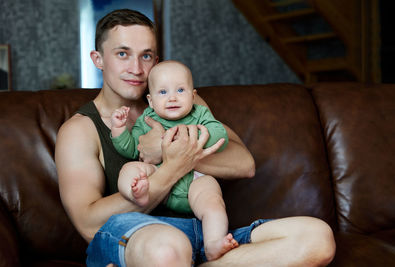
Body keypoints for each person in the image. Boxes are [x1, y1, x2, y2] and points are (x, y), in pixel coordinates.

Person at [55, 8, 336, 267]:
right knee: (168, 249)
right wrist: (174, 164)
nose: (137, 69)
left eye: (146, 55)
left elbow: (244, 163)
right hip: (136, 237)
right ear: (98, 59)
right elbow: (89, 224)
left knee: (317, 238)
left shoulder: (182, 101)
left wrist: (167, 149)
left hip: (201, 235)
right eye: (122, 54)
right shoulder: (80, 130)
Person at [111, 60, 238, 260]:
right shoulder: (146, 119)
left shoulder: (200, 114)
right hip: (160, 181)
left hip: (196, 180)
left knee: (214, 202)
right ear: (151, 101)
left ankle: (213, 244)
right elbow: (131, 149)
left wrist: (174, 139)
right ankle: (136, 193)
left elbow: (219, 136)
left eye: (180, 90)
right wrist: (118, 130)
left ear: (193, 96)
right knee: (130, 168)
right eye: (163, 92)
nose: (172, 98)